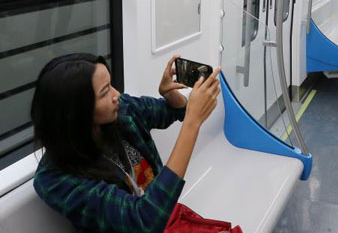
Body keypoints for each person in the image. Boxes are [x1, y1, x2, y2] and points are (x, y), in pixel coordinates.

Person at [31, 53, 221, 232]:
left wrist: (168, 94)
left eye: (111, 84)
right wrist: (192, 124)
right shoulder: (53, 180)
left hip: (163, 217)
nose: (116, 94)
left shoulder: (122, 110)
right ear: (76, 112)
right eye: (105, 91)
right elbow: (144, 221)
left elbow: (174, 112)